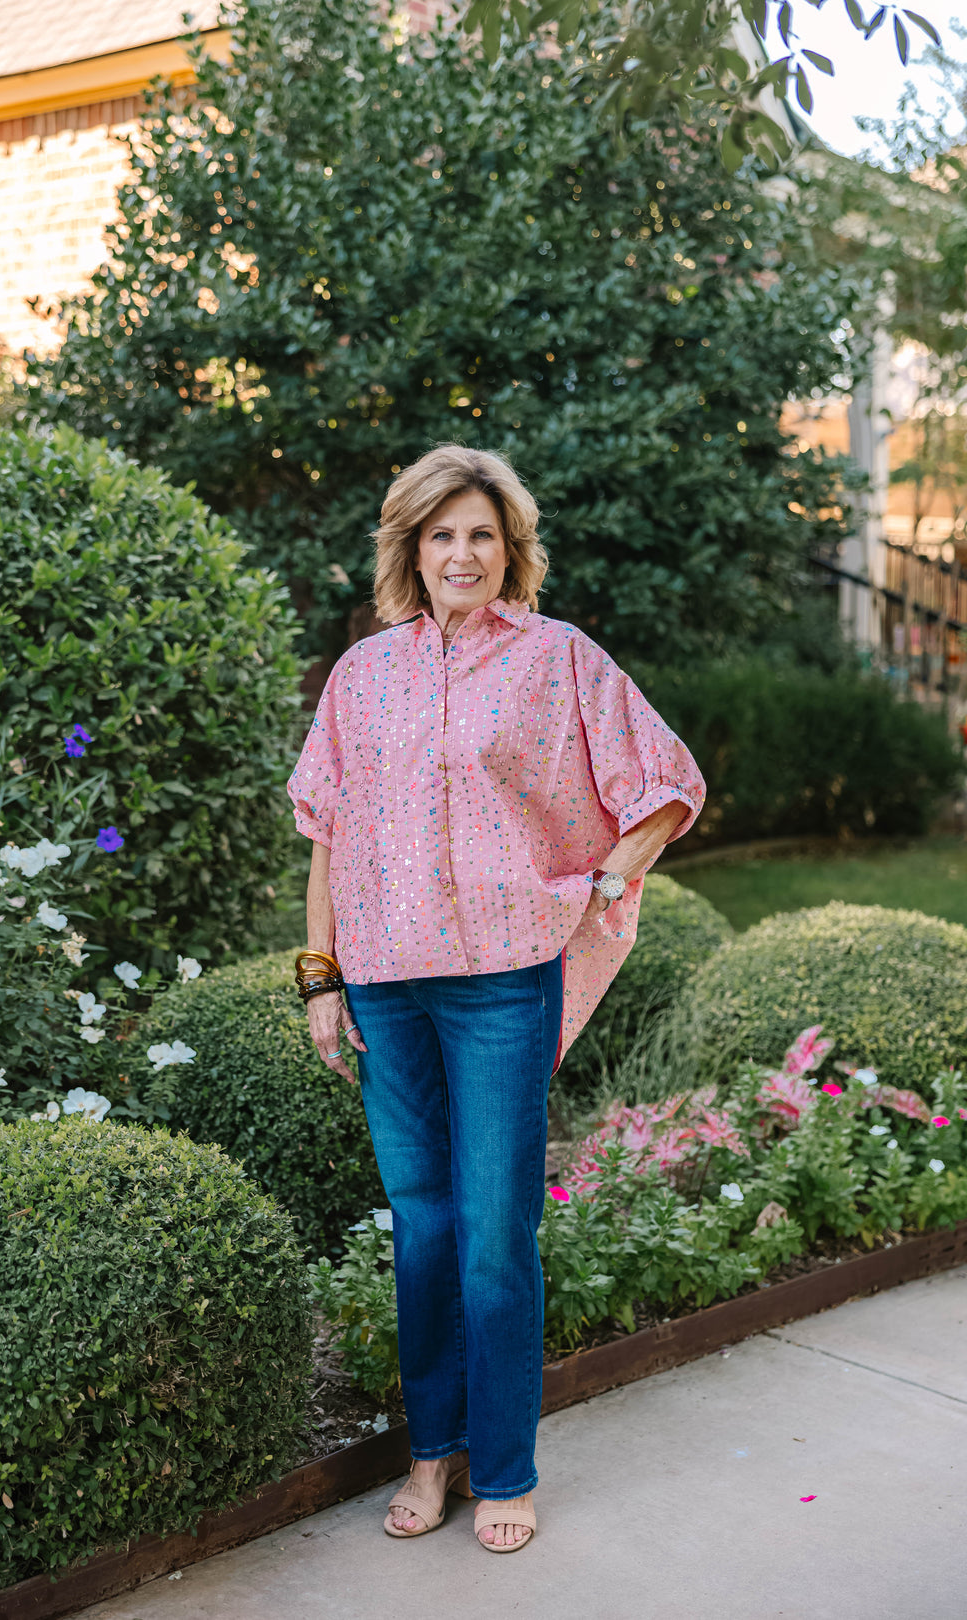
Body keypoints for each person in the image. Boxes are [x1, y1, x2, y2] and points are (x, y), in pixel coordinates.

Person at [288, 444, 705, 1554]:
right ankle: (433, 1452)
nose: (461, 554)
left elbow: (665, 782)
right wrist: (320, 974)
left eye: (480, 533)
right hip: (384, 985)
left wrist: (608, 878)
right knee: (421, 1233)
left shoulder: (558, 659)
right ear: (410, 551)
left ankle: (506, 1465)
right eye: (440, 536)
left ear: (508, 547)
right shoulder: (361, 677)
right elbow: (328, 831)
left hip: (500, 987)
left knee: (492, 1236)